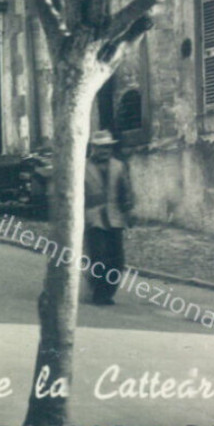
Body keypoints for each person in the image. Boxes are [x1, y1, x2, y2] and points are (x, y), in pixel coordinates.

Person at [83, 130, 135, 306]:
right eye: (101, 147)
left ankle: (108, 291)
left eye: (107, 147)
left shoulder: (118, 166)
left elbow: (126, 191)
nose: (105, 151)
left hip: (115, 217)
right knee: (98, 257)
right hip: (92, 218)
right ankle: (98, 292)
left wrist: (128, 212)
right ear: (93, 148)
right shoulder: (82, 167)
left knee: (117, 260)